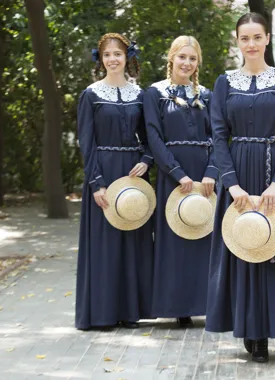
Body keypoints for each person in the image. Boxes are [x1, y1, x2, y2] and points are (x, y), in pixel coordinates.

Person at [206, 12, 275, 363]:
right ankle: (246, 327)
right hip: (237, 172)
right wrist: (230, 185)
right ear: (238, 41)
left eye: (257, 37)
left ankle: (265, 331)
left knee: (271, 249)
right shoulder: (224, 82)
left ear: (266, 40)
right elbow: (218, 135)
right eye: (244, 38)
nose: (251, 44)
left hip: (270, 171)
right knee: (241, 247)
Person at [75, 33, 154, 330]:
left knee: (131, 241)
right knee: (105, 243)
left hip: (132, 175)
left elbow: (149, 137)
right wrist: (96, 182)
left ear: (127, 58)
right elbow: (87, 142)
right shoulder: (91, 94)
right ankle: (102, 313)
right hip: (104, 172)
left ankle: (129, 311)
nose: (112, 59)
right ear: (101, 59)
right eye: (107, 54)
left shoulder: (140, 94)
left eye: (117, 54)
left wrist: (146, 160)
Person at [144, 36, 216, 327]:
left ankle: (208, 304)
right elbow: (153, 137)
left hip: (205, 175)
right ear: (171, 57)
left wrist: (212, 171)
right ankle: (180, 307)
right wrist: (177, 173)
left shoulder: (207, 95)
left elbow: (218, 137)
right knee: (175, 239)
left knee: (204, 234)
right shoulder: (155, 93)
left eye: (193, 58)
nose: (187, 63)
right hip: (172, 176)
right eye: (182, 57)